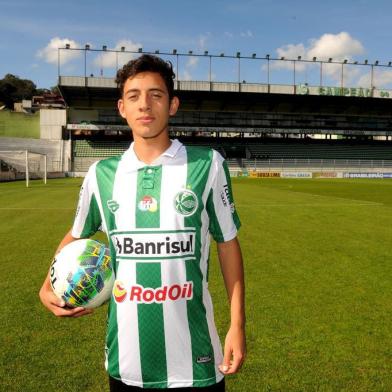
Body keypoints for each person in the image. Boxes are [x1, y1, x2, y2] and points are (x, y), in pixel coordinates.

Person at [39, 54, 246, 391]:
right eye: (134, 96)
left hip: (196, 361)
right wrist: (48, 282)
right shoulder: (101, 174)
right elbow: (76, 234)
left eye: (156, 94)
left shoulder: (207, 165)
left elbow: (227, 244)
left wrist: (237, 324)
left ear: (173, 104)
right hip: (127, 363)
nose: (145, 104)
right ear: (122, 107)